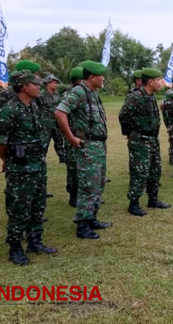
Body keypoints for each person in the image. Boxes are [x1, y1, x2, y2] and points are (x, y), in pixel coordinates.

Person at [0, 70, 57, 265]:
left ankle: (35, 241)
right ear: (23, 87)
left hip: (37, 166)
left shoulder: (34, 106)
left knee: (38, 206)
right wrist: (8, 160)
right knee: (19, 208)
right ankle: (15, 248)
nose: (39, 87)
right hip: (20, 169)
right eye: (35, 84)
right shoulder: (10, 110)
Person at [55, 61, 112, 238]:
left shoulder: (92, 93)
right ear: (92, 77)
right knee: (88, 185)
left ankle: (91, 217)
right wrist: (71, 137)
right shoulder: (79, 91)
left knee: (97, 183)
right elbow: (60, 112)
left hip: (98, 145)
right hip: (87, 146)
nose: (103, 79)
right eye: (101, 76)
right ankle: (82, 225)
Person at [119, 68, 171, 216]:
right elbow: (123, 115)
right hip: (140, 141)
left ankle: (153, 199)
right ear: (150, 81)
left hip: (152, 140)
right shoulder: (136, 96)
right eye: (158, 80)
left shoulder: (151, 96)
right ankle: (134, 203)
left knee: (155, 170)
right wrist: (130, 133)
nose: (161, 83)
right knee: (139, 172)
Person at [64, 67, 83, 208]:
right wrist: (70, 135)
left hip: (83, 137)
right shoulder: (71, 94)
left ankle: (83, 195)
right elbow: (60, 113)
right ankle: (73, 195)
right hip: (73, 136)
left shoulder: (87, 93)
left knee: (83, 167)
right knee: (73, 167)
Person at [38, 74, 65, 162]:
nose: (55, 85)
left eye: (56, 83)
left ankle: (63, 158)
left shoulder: (57, 95)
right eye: (53, 83)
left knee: (59, 141)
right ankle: (41, 158)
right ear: (48, 84)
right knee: (44, 142)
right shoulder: (41, 95)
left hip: (57, 123)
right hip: (46, 124)